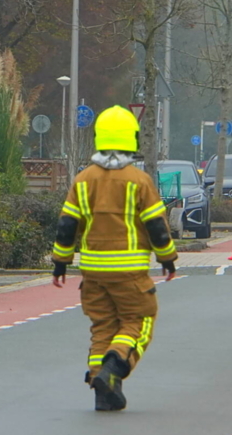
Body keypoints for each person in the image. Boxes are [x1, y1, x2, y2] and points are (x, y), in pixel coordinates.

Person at [51, 105, 178, 412]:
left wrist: (60, 263)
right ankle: (114, 368)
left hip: (92, 272)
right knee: (140, 320)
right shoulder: (139, 180)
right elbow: (156, 225)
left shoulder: (83, 180)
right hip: (130, 272)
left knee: (103, 327)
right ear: (131, 138)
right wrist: (167, 258)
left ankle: (103, 390)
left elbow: (68, 224)